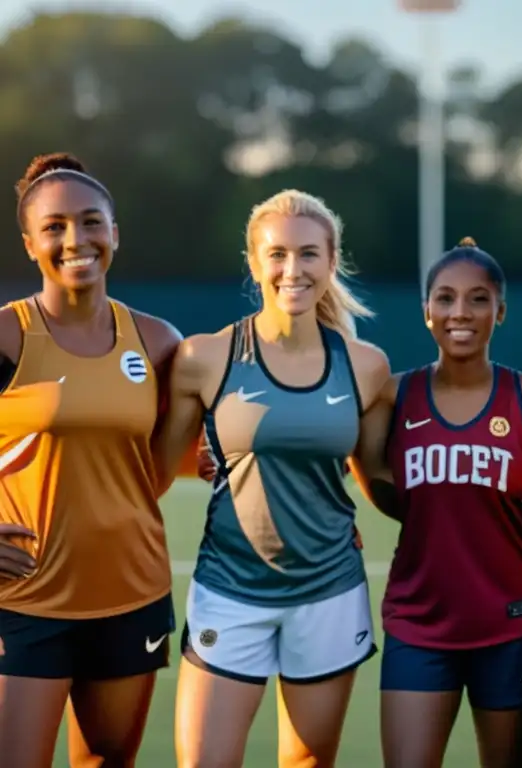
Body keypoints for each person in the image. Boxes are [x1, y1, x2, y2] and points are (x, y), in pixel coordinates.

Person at [153, 189, 390, 768]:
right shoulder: (204, 358)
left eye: (309, 254)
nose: (293, 269)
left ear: (331, 262)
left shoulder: (366, 366)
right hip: (230, 590)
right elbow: (149, 475)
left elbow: (379, 483)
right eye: (277, 254)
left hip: (329, 594)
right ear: (254, 261)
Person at [345, 237, 522, 768]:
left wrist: (496, 517)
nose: (460, 312)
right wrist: (439, 508)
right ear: (426, 312)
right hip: (419, 623)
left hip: (508, 624)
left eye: (478, 299)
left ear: (500, 311)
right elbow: (379, 483)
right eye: (444, 298)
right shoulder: (393, 397)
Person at [0, 152, 181, 768]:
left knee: (107, 761)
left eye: (90, 222)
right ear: (29, 244)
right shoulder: (9, 336)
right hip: (25, 600)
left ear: (114, 233)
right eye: (53, 227)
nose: (75, 239)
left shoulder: (158, 342)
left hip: (132, 594)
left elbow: (159, 462)